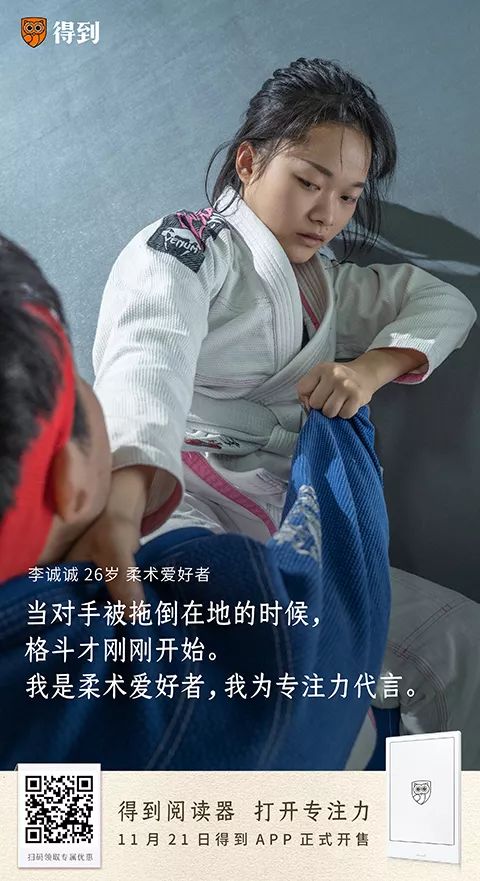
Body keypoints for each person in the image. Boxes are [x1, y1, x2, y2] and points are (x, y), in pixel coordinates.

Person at [83, 58, 479, 764]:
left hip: (288, 513)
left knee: (459, 644)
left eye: (349, 196)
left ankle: (421, 818)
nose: (327, 213)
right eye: (308, 182)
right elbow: (148, 354)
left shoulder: (330, 284)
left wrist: (367, 370)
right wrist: (119, 508)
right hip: (181, 505)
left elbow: (444, 301)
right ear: (248, 162)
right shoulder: (188, 249)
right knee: (273, 677)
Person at [0, 233, 392, 771]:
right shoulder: (235, 634)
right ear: (68, 479)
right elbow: (336, 597)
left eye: (347, 196)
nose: (326, 212)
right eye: (78, 386)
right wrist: (341, 413)